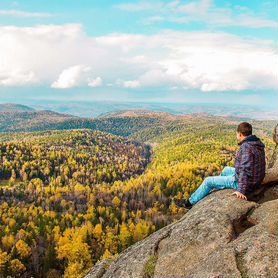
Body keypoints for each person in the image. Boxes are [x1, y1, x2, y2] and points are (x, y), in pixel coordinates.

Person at [174, 122, 266, 209]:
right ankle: (218, 185)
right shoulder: (256, 143)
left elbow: (244, 170)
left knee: (208, 181)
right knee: (226, 169)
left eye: (237, 134)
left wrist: (241, 191)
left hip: (247, 183)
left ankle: (189, 203)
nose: (236, 135)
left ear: (240, 134)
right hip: (254, 178)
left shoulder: (246, 147)